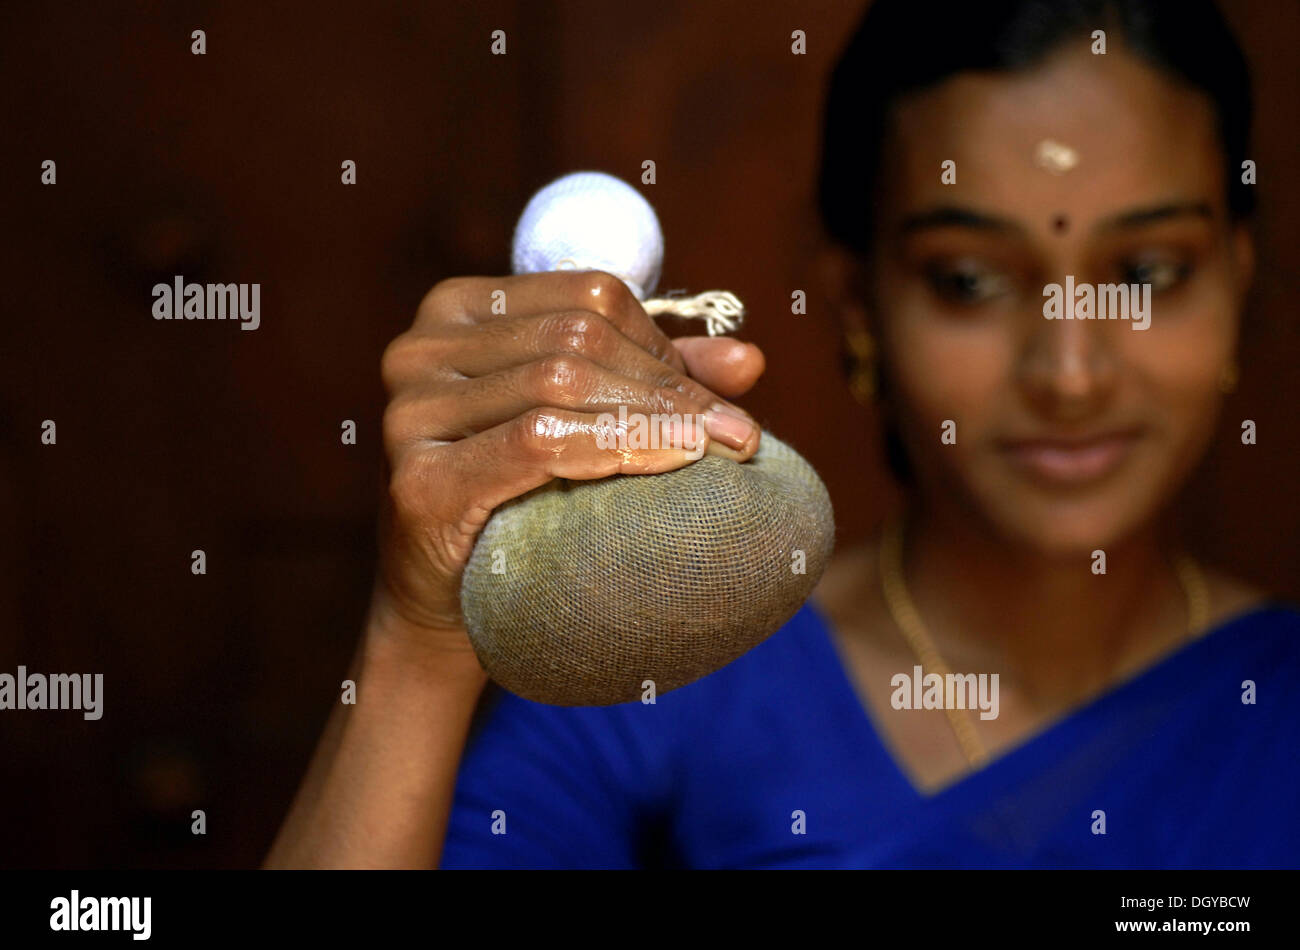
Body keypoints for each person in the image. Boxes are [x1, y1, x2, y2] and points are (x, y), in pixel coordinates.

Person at [266, 0, 1300, 868]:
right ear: (856, 305)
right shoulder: (666, 667)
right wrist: (418, 643)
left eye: (1148, 274)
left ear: (1237, 284)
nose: (1070, 374)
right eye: (969, 281)